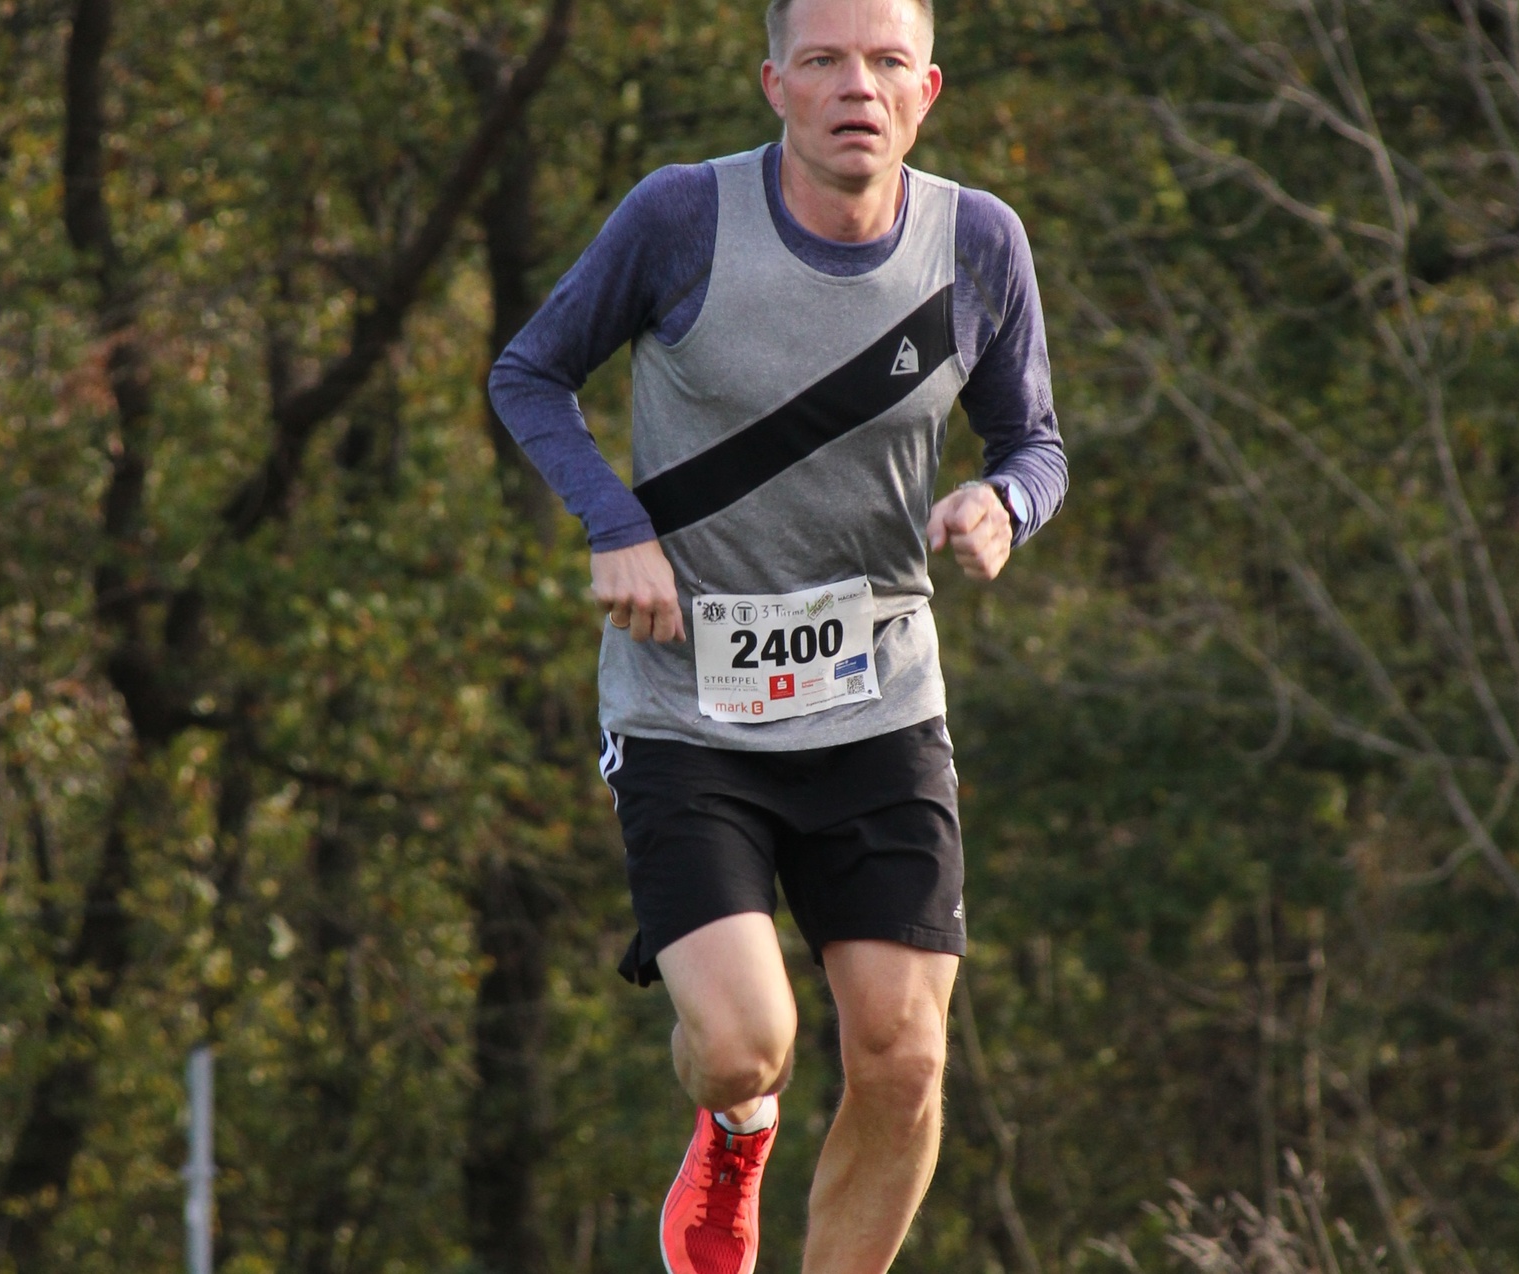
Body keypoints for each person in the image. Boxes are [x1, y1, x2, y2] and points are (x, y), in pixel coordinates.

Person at [488, 0, 1065, 1265]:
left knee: (905, 1056)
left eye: (887, 62)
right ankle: (737, 1128)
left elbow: (1035, 443)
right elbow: (527, 372)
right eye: (824, 61)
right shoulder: (681, 217)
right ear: (774, 84)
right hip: (690, 708)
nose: (858, 86)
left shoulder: (978, 242)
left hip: (878, 700)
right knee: (750, 1042)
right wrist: (613, 524)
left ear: (927, 90)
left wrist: (1002, 502)